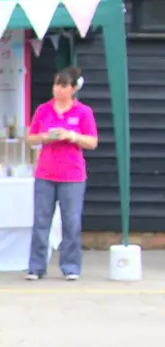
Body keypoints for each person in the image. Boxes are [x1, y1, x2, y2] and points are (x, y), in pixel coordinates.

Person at [26, 65, 99, 281]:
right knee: (41, 220)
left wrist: (72, 136)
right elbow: (30, 138)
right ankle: (36, 267)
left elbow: (92, 141)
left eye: (64, 85)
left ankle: (71, 266)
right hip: (45, 172)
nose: (58, 89)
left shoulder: (83, 112)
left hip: (72, 175)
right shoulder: (43, 110)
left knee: (71, 221)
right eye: (56, 84)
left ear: (74, 88)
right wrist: (45, 137)